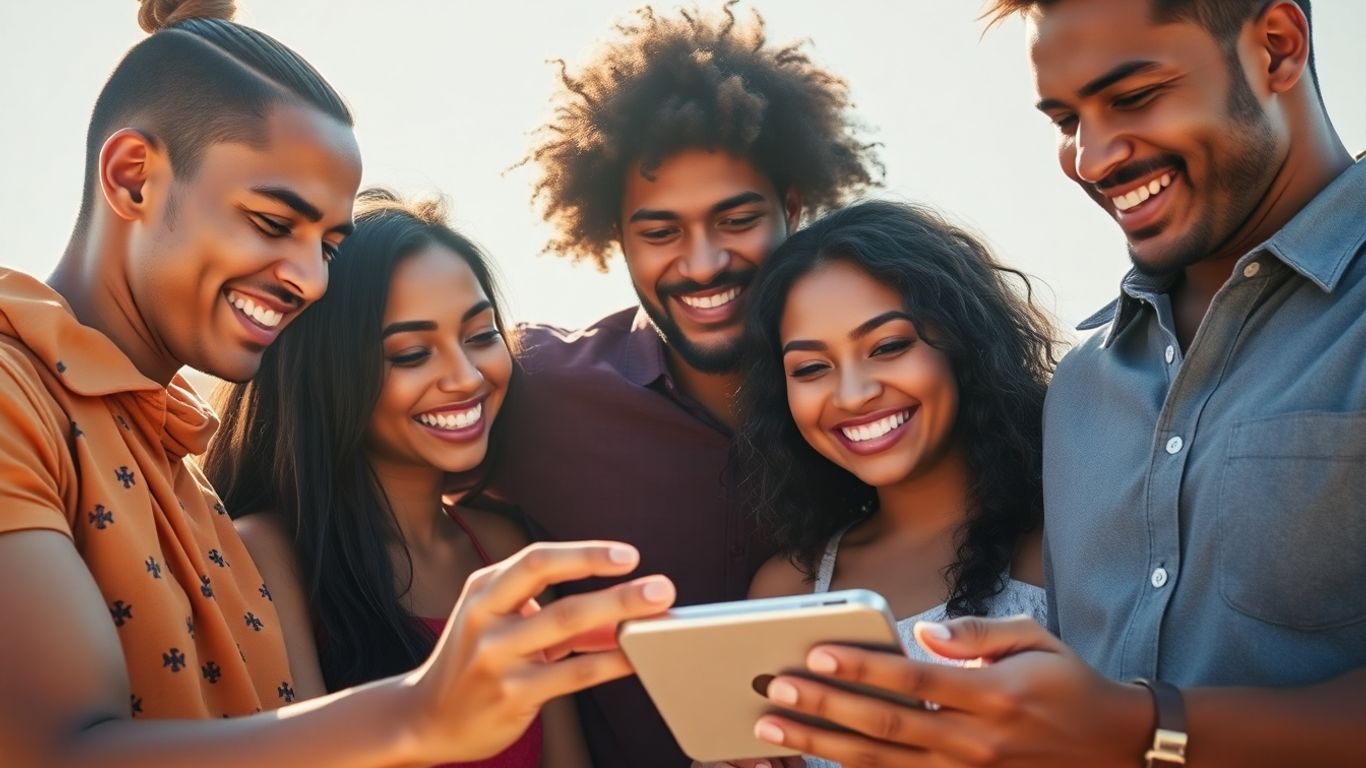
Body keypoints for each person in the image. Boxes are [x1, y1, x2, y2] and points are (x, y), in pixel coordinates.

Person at [0, 2, 674, 765]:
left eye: (327, 243)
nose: (313, 280)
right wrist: (417, 714)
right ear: (132, 178)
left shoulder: (180, 460)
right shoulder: (13, 393)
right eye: (271, 221)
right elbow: (46, 752)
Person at [741, 1, 1366, 765]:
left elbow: (1103, 719)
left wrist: (1141, 729)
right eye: (1066, 120)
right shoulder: (1083, 391)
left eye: (1133, 97)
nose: (1094, 158)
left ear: (1276, 47)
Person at [477, 4, 881, 764]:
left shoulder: (875, 399)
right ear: (614, 237)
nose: (701, 264)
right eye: (660, 233)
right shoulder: (537, 392)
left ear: (793, 207)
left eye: (735, 220)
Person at [205, 190, 593, 768]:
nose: (465, 377)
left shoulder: (507, 551)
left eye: (482, 335)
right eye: (411, 354)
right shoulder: (265, 554)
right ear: (327, 375)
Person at [735, 200, 1053, 768]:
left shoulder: (1064, 544)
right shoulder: (785, 590)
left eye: (888, 346)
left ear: (964, 344)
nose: (853, 394)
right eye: (810, 368)